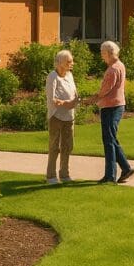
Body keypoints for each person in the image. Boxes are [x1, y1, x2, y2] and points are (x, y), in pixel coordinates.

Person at [96, 41, 134, 184]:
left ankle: (110, 176)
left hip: (111, 107)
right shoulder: (120, 65)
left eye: (102, 53)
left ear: (108, 53)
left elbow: (105, 90)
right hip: (117, 105)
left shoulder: (113, 69)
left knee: (109, 141)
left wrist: (93, 98)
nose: (102, 56)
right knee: (111, 139)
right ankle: (126, 168)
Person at [45, 49, 79, 185]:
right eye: (69, 61)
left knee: (68, 146)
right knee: (54, 146)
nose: (72, 64)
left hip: (69, 117)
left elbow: (75, 95)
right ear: (60, 63)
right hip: (56, 116)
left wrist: (75, 102)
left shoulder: (70, 75)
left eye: (71, 61)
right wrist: (67, 103)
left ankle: (64, 174)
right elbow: (52, 99)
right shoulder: (52, 76)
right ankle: (51, 176)